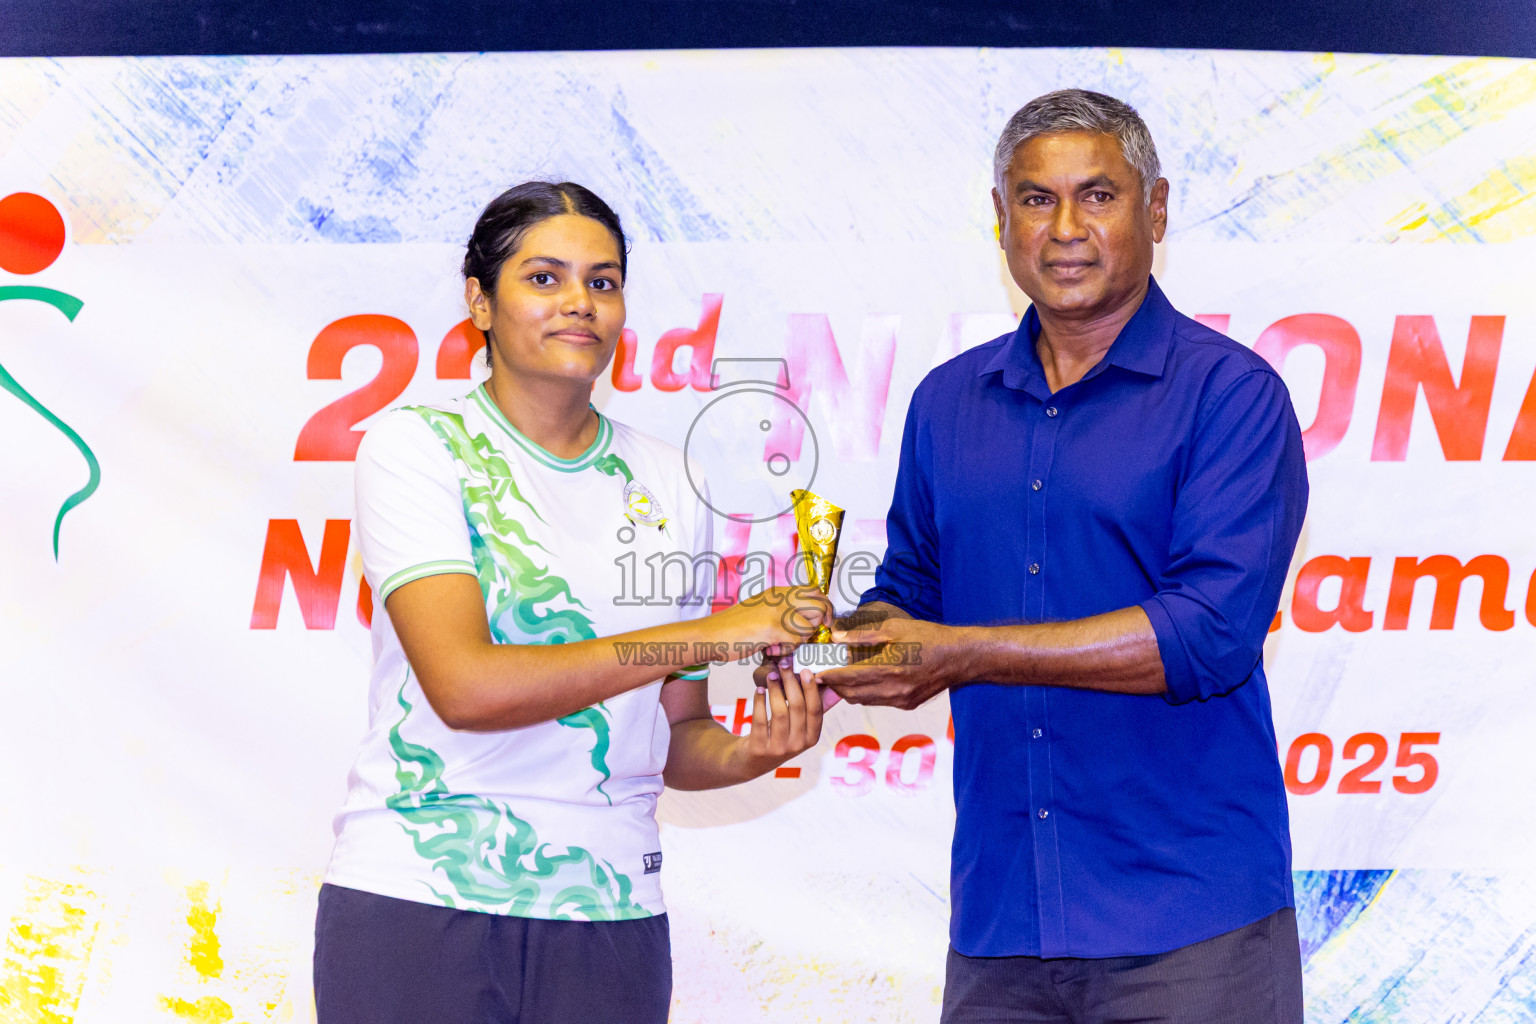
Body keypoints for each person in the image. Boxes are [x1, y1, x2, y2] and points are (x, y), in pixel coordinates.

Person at [765, 88, 1309, 1022]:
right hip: (1002, 924)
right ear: (1000, 219)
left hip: (1190, 926)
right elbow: (912, 599)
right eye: (1035, 199)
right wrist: (834, 643)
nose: (1064, 229)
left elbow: (1207, 636)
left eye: (1097, 196)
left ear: (1158, 210)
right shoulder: (947, 402)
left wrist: (961, 651)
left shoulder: (1232, 397)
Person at [315, 180, 830, 1024]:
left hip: (610, 912)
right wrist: (707, 632)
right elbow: (467, 687)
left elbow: (675, 737)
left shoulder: (670, 480)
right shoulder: (417, 447)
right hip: (422, 898)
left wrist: (750, 754)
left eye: (603, 281)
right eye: (543, 278)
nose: (579, 304)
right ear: (479, 299)